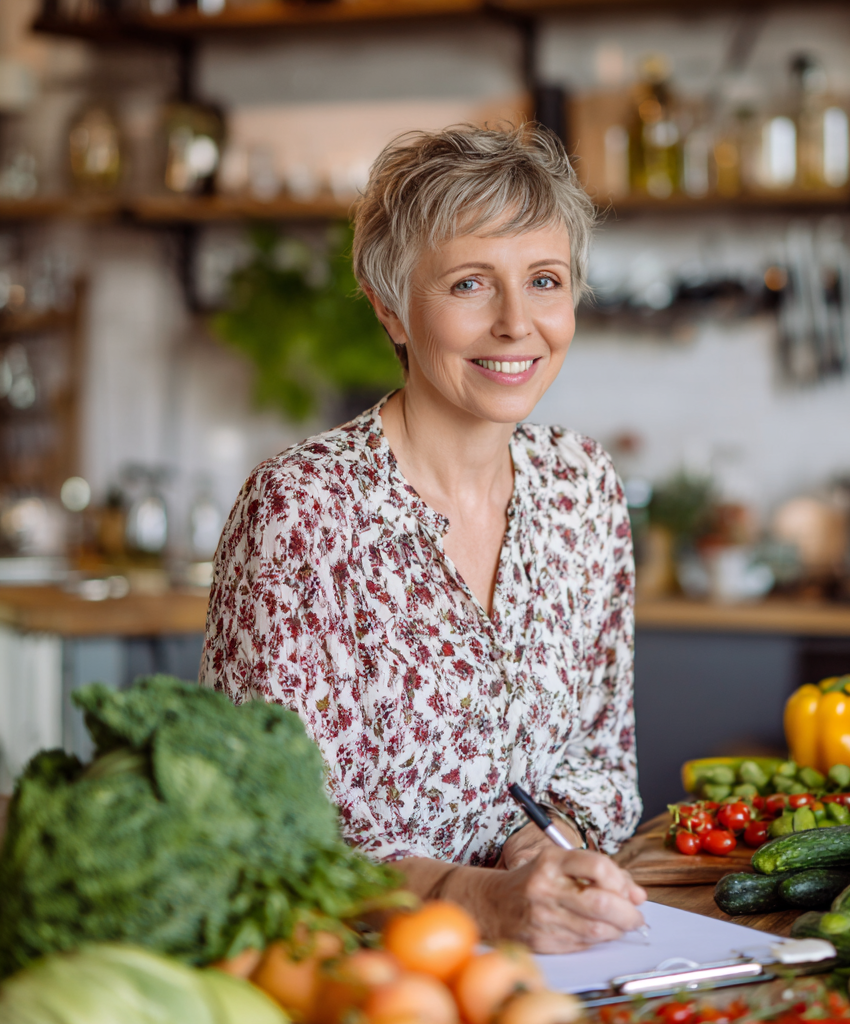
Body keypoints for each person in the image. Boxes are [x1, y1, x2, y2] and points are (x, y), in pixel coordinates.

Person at [201, 123, 645, 953]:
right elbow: (261, 831)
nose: (518, 324)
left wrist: (543, 845)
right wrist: (478, 899)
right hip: (348, 976)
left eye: (544, 280)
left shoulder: (584, 487)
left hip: (544, 967)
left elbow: (600, 761)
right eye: (472, 284)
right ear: (391, 308)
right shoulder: (303, 510)